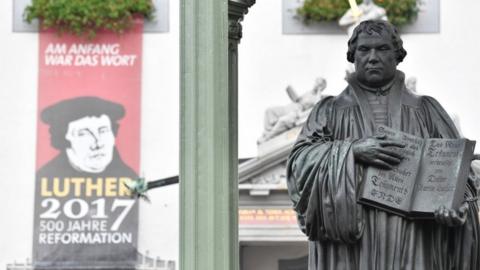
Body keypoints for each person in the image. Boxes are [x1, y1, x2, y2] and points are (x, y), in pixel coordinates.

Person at [286, 20, 480, 270]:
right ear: (353, 57)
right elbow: (299, 166)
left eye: (382, 49)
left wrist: (455, 209)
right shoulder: (329, 111)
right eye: (364, 50)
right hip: (351, 247)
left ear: (397, 55)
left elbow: (459, 178)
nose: (373, 57)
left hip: (415, 241)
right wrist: (352, 151)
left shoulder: (427, 111)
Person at [33, 96, 138, 269]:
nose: (97, 144)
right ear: (64, 139)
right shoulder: (43, 180)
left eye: (103, 131)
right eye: (83, 134)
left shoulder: (131, 179)